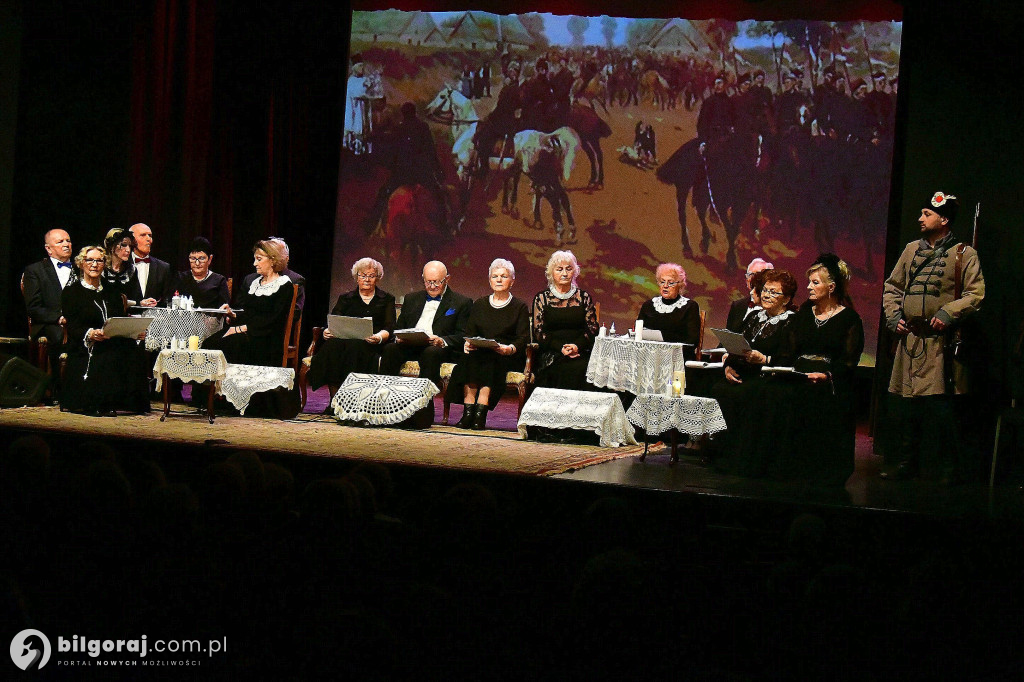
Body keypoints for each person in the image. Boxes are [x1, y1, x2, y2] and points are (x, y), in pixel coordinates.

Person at [881, 192, 984, 482]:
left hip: (941, 343)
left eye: (927, 214)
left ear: (944, 219)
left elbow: (975, 294)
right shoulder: (912, 249)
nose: (920, 218)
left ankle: (947, 468)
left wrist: (949, 313)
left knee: (942, 409)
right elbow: (892, 288)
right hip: (910, 339)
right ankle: (906, 462)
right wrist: (893, 317)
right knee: (907, 407)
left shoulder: (964, 254)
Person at [772, 254, 864, 485]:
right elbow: (789, 350)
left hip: (829, 382)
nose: (809, 287)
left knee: (821, 401)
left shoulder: (849, 319)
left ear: (831, 287)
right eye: (809, 282)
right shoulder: (804, 314)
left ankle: (823, 472)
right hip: (799, 376)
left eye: (815, 282)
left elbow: (849, 360)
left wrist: (827, 375)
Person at [711, 269, 799, 476]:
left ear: (786, 299)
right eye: (765, 290)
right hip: (744, 373)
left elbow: (790, 357)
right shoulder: (754, 317)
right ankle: (722, 455)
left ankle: (745, 461)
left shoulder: (792, 322)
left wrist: (765, 359)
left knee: (750, 394)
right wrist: (728, 367)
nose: (767, 295)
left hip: (770, 377)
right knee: (719, 388)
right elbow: (736, 346)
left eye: (774, 292)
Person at [59, 245, 150, 416]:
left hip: (112, 338)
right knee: (105, 354)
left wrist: (134, 332)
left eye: (99, 260)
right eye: (90, 260)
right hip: (86, 344)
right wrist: (90, 333)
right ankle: (97, 402)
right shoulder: (72, 292)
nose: (94, 264)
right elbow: (72, 326)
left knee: (132, 349)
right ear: (81, 263)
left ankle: (128, 403)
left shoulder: (112, 291)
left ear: (104, 264)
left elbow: (119, 319)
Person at [449, 258, 530, 430]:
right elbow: (469, 333)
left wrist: (509, 349)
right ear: (489, 280)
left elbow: (523, 338)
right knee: (470, 358)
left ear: (512, 281)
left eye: (503, 276)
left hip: (507, 355)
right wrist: (468, 344)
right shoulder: (480, 304)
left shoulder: (520, 306)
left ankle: (480, 412)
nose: (499, 280)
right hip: (480, 351)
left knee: (491, 359)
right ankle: (468, 412)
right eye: (495, 276)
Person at [307, 257, 395, 397]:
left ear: (377, 278)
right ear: (356, 277)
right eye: (363, 275)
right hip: (344, 342)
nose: (367, 279)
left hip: (371, 344)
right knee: (332, 346)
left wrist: (378, 337)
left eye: (371, 276)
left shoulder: (386, 298)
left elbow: (390, 327)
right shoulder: (346, 298)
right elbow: (334, 320)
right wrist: (327, 332)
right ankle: (335, 400)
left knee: (354, 347)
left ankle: (351, 399)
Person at [380, 260, 472, 390]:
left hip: (438, 349)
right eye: (428, 282)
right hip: (411, 345)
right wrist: (399, 337)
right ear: (423, 278)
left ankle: (423, 405)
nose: (432, 286)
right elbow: (399, 327)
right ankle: (386, 399)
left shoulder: (461, 302)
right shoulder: (411, 298)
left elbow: (463, 335)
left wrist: (442, 341)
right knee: (390, 349)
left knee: (430, 353)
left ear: (447, 279)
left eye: (437, 282)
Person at [208, 239, 297, 367]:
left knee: (228, 344)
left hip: (265, 338)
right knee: (209, 343)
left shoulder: (283, 285)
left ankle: (228, 385)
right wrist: (233, 315)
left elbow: (273, 320)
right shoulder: (255, 283)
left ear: (272, 260)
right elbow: (248, 313)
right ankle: (208, 386)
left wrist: (240, 328)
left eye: (259, 259)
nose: (255, 263)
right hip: (248, 332)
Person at [532, 250, 599, 391]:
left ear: (574, 272)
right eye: (559, 269)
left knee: (583, 368)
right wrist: (561, 348)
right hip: (552, 352)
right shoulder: (541, 299)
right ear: (552, 273)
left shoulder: (584, 297)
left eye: (569, 269)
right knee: (561, 368)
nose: (564, 273)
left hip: (580, 351)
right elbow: (539, 332)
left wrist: (576, 346)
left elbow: (592, 328)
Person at [23, 228, 75, 373]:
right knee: (60, 335)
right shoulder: (35, 270)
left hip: (76, 321)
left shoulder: (81, 268)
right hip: (49, 323)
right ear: (48, 249)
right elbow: (33, 308)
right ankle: (56, 386)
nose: (66, 244)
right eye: (60, 242)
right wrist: (59, 318)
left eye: (68, 241)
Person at [636, 262, 701, 360]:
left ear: (680, 285)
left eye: (670, 283)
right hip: (649, 357)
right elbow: (638, 332)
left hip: (677, 359)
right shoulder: (648, 305)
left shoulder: (689, 306)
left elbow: (692, 341)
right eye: (662, 282)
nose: (665, 286)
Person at [241, 238, 305, 312]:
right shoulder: (250, 280)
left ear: (285, 258)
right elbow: (241, 307)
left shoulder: (293, 280)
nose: (255, 263)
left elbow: (293, 314)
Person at [174, 236, 230, 309]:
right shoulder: (181, 278)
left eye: (202, 258)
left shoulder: (219, 280)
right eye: (193, 258)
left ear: (210, 259)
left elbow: (224, 309)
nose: (197, 263)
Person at [127, 223, 173, 307]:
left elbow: (166, 300)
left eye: (150, 236)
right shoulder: (123, 264)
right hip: (127, 318)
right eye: (143, 235)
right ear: (131, 240)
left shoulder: (163, 267)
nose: (149, 239)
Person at [727, 257, 774, 332]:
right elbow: (727, 337)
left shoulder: (773, 309)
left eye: (758, 276)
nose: (753, 279)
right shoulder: (737, 305)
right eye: (750, 275)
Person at [101, 228, 137, 301]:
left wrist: (142, 302)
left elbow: (135, 297)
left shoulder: (131, 270)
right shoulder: (101, 268)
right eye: (124, 245)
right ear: (111, 246)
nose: (128, 250)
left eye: (130, 246)